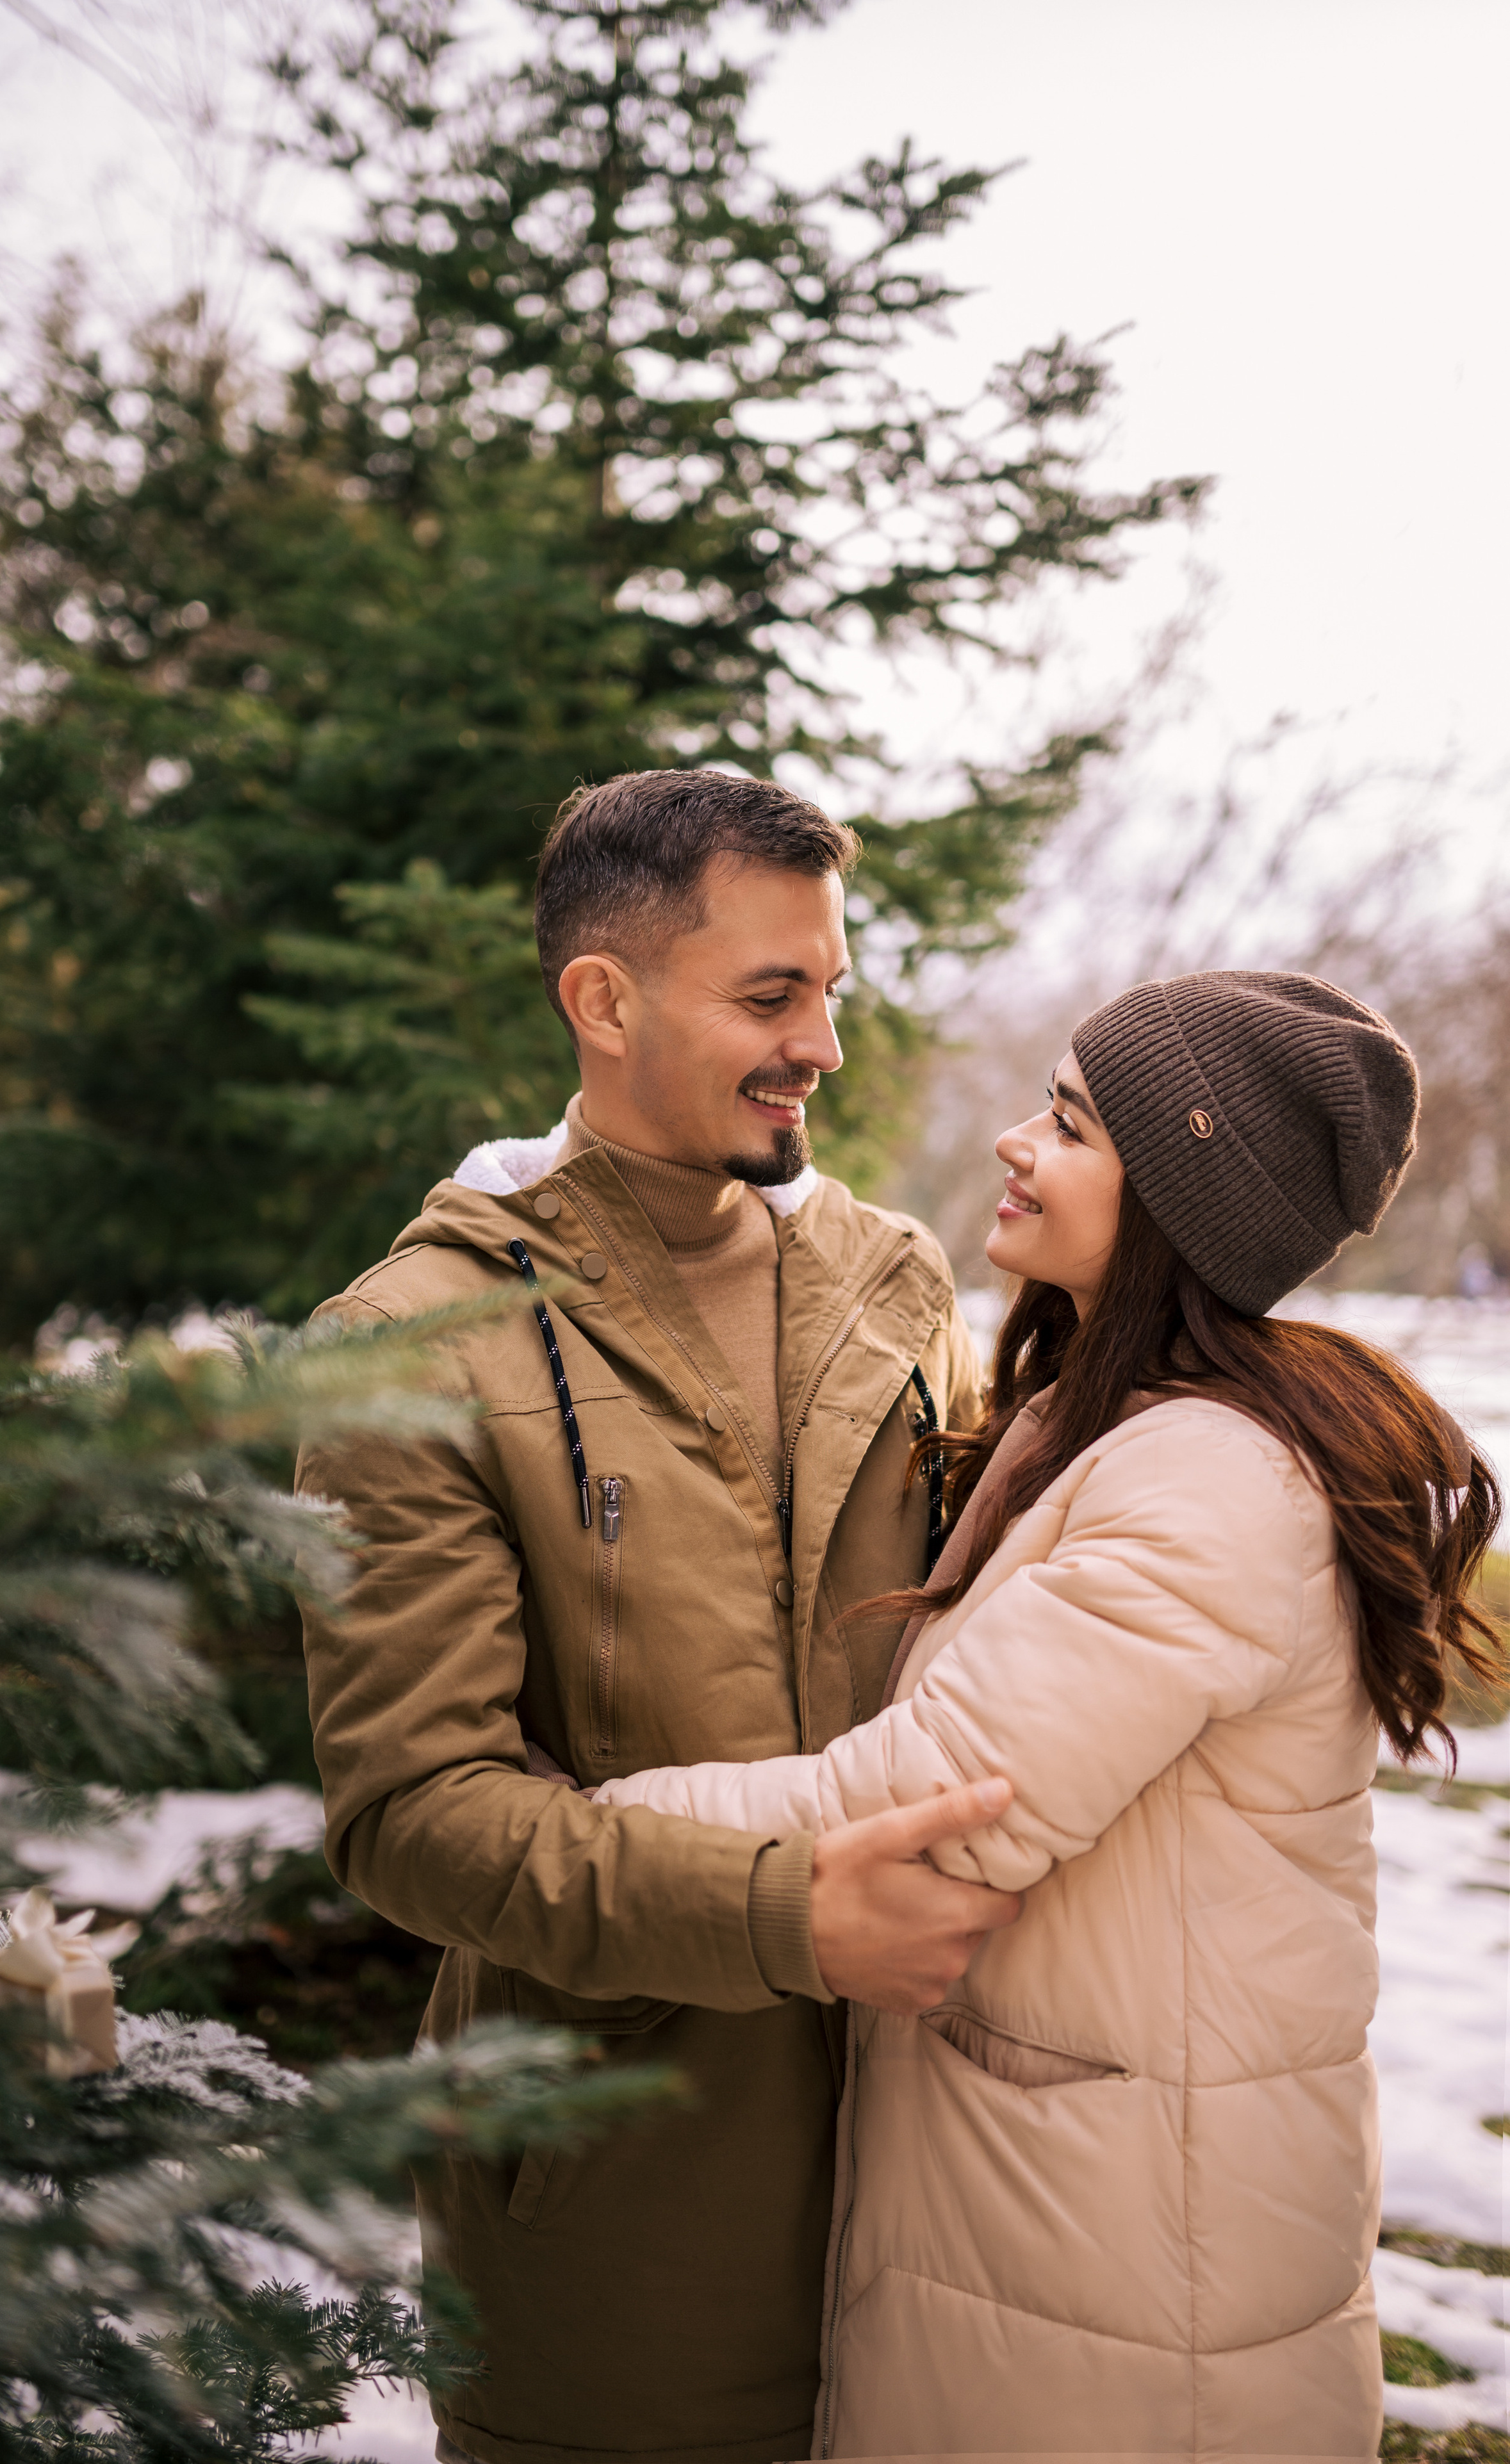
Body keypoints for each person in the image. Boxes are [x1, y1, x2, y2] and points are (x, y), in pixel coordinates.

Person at [593, 969, 1504, 2461]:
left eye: (1071, 1125)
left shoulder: (1202, 1480)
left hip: (1132, 2266)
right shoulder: (1103, 1417)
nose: (1017, 1140)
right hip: (1072, 2200)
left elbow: (934, 1798)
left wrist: (567, 1836)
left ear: (1175, 1201)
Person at [295, 769, 1020, 2464]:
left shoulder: (898, 1281)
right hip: (615, 2219)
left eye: (830, 990)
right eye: (770, 996)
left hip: (945, 2176)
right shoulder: (410, 1347)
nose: (821, 1046)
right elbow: (414, 1816)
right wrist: (783, 1915)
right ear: (601, 1001)